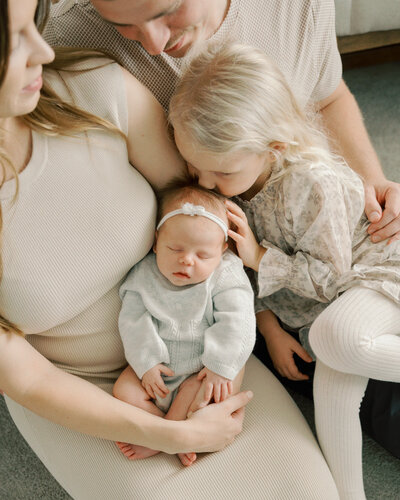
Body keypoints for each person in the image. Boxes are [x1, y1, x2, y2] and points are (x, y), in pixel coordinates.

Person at [0, 1, 340, 499]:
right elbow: (24, 380)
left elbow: (208, 218)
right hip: (85, 392)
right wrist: (175, 433)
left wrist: (227, 361)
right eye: (14, 39)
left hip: (206, 342)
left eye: (36, 25)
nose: (44, 50)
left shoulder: (94, 85)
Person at [168, 42, 400, 500]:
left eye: (221, 173)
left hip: (373, 274)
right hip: (320, 314)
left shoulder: (311, 183)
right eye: (197, 170)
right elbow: (241, 279)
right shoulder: (233, 186)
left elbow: (329, 278)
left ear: (273, 147)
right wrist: (269, 328)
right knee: (333, 383)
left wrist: (258, 257)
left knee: (336, 338)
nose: (208, 186)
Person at [44, 0, 400, 247]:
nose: (154, 44)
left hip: (315, 233)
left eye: (168, 11)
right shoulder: (62, 40)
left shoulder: (296, 8)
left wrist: (372, 181)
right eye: (122, 24)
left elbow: (326, 97)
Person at [114, 182, 255, 467]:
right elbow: (133, 320)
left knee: (201, 392)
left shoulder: (226, 274)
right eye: (174, 248)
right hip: (159, 369)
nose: (187, 261)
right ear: (155, 242)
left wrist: (218, 365)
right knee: (123, 389)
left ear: (222, 250)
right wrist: (147, 363)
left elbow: (238, 321)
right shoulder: (143, 275)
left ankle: (167, 435)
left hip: (205, 369)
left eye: (203, 255)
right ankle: (163, 429)